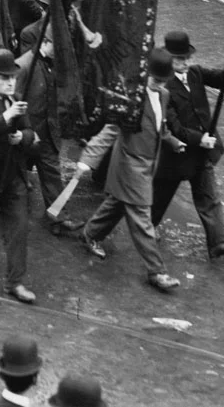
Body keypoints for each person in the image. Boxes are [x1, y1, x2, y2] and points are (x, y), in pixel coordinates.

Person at [74, 47, 187, 293]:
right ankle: (157, 271)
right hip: (130, 166)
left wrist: (174, 142)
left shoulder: (164, 94)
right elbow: (110, 130)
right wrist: (88, 159)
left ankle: (89, 234)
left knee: (116, 205)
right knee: (141, 218)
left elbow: (160, 126)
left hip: (146, 165)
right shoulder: (130, 99)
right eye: (155, 80)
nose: (159, 85)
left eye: (163, 80)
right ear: (145, 74)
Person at [151, 31, 224, 259]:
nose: (185, 63)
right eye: (179, 59)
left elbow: (223, 79)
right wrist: (198, 138)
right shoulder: (165, 87)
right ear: (169, 60)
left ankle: (218, 242)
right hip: (177, 153)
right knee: (161, 195)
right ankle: (148, 225)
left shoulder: (196, 73)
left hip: (202, 151)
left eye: (187, 58)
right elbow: (173, 126)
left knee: (209, 197)